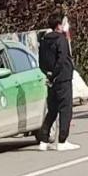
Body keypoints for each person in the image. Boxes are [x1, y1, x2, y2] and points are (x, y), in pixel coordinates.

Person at [36, 12, 78, 150]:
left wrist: (48, 75)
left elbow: (41, 61)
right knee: (65, 109)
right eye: (65, 22)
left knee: (52, 109)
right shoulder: (61, 40)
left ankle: (44, 140)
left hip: (50, 79)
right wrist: (55, 74)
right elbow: (62, 59)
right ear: (59, 25)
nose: (67, 25)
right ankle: (62, 141)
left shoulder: (44, 40)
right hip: (62, 78)